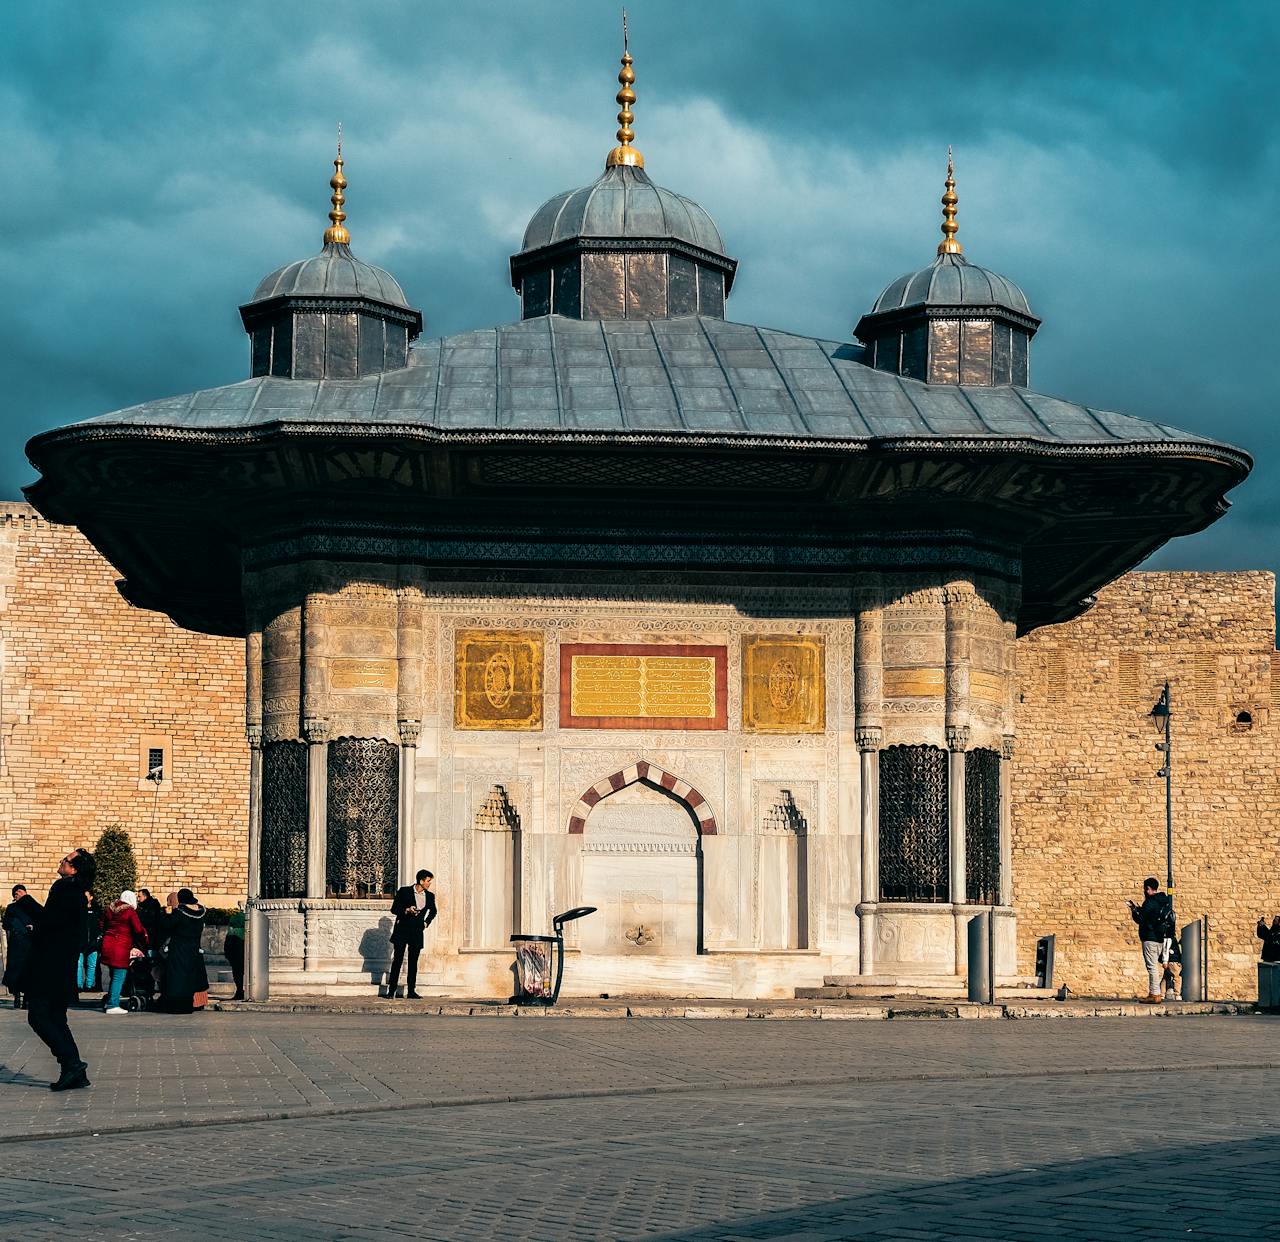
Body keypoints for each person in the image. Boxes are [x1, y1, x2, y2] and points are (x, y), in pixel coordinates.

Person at [21, 848, 96, 1090]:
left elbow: (48, 922)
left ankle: (71, 1064)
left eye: (66, 860)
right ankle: (75, 1071)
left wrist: (25, 901)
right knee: (56, 1018)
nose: (61, 861)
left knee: (39, 1016)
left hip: (49, 964)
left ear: (74, 869)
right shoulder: (79, 894)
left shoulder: (64, 888)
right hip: (63, 964)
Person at [384, 870, 436, 999]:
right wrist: (406, 910)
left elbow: (434, 911)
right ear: (421, 881)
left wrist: (426, 922)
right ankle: (392, 991)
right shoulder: (404, 891)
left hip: (417, 932)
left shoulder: (430, 896)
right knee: (398, 960)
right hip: (402, 930)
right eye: (428, 881)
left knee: (413, 962)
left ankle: (411, 991)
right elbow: (394, 909)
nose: (429, 884)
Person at [159, 888, 208, 1014]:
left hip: (179, 949)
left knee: (177, 978)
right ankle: (188, 1005)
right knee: (189, 978)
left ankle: (176, 1006)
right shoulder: (201, 912)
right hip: (194, 949)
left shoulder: (180, 912)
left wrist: (166, 914)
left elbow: (167, 926)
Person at [99, 890, 148, 1014]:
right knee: (119, 976)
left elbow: (102, 925)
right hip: (120, 946)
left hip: (107, 944)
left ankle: (110, 1000)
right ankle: (112, 1005)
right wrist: (145, 937)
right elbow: (138, 929)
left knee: (113, 975)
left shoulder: (109, 909)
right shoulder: (129, 911)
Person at [1128, 877, 1175, 1003]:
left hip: (1150, 937)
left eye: (1145, 888)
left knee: (1152, 966)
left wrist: (1134, 911)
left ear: (1148, 888)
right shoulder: (1163, 901)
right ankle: (1155, 992)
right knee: (1154, 966)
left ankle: (1155, 994)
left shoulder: (1150, 902)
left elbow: (1141, 920)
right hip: (1160, 938)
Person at [2, 885, 42, 1009]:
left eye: (20, 892)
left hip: (30, 943)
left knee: (29, 971)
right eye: (16, 893)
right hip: (16, 943)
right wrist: (17, 927)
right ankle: (17, 997)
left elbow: (41, 918)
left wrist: (33, 927)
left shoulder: (31, 906)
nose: (17, 894)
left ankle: (27, 999)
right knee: (15, 971)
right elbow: (6, 923)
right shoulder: (11, 908)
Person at [76, 889, 102, 996]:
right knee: (79, 964)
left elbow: (100, 926)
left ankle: (89, 985)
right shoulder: (78, 910)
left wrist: (97, 939)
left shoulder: (97, 910)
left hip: (93, 942)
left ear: (91, 897)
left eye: (86, 896)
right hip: (80, 942)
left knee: (92, 965)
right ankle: (78, 985)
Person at [224, 904, 245, 1000]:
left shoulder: (232, 932)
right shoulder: (248, 931)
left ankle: (240, 991)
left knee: (237, 975)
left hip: (235, 958)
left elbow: (227, 947)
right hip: (245, 957)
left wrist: (228, 956)